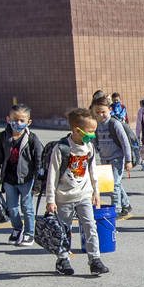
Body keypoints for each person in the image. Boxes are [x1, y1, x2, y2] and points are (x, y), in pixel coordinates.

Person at [44, 108, 108, 276]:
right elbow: (52, 175)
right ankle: (63, 259)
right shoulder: (62, 148)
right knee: (64, 230)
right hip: (64, 196)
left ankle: (95, 259)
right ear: (76, 130)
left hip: (84, 194)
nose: (92, 134)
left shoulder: (89, 147)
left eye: (94, 131)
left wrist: (96, 192)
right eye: (89, 131)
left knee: (90, 226)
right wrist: (50, 200)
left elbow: (93, 171)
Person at [0, 104, 42, 247]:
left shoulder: (32, 139)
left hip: (27, 180)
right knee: (12, 208)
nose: (18, 123)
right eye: (14, 119)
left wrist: (38, 183)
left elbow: (39, 162)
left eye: (21, 120)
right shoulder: (2, 137)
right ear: (8, 119)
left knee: (27, 208)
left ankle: (29, 233)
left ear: (28, 122)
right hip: (9, 180)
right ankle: (17, 228)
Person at [90, 98, 134, 213]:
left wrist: (128, 160)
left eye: (103, 112)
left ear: (110, 110)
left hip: (117, 158)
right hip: (105, 158)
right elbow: (95, 141)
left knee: (114, 185)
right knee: (115, 183)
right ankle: (126, 204)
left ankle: (117, 210)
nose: (100, 115)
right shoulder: (96, 125)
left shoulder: (114, 124)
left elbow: (125, 143)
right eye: (97, 112)